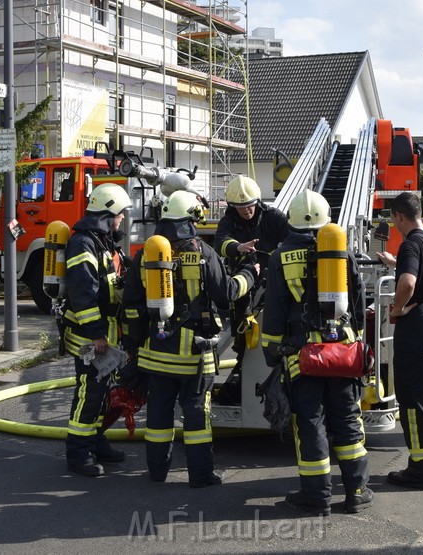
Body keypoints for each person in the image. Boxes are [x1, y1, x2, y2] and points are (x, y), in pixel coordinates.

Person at [121, 191, 257, 487]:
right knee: (196, 415)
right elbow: (227, 293)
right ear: (191, 219)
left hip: (155, 353)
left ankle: (157, 472)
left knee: (158, 414)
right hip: (195, 355)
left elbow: (130, 305)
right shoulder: (205, 254)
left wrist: (133, 347)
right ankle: (200, 474)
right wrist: (250, 272)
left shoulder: (147, 254)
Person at [261, 189, 373, 516]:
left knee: (310, 423)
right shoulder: (340, 252)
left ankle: (317, 495)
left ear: (291, 221)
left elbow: (275, 311)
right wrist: (354, 340)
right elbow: (357, 299)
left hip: (303, 354)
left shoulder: (280, 256)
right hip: (342, 352)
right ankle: (356, 491)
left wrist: (272, 351)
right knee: (348, 419)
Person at [376, 192, 423, 490]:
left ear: (398, 216)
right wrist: (397, 263)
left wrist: (395, 308)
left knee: (412, 399)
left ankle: (422, 471)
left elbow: (409, 283)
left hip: (417, 325)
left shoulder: (410, 244)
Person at [62, 183, 132, 477]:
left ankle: (95, 440)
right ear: (108, 212)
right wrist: (97, 335)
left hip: (105, 335)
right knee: (89, 393)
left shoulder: (103, 241)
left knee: (103, 393)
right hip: (89, 338)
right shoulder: (83, 243)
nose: (123, 220)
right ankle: (78, 453)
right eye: (121, 214)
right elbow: (82, 295)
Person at [214, 175, 288, 352]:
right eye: (241, 207)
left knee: (275, 323)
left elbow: (290, 239)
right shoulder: (228, 221)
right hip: (243, 283)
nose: (246, 210)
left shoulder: (274, 217)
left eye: (249, 205)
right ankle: (242, 361)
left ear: (258, 201)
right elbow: (219, 243)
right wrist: (238, 247)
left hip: (273, 281)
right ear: (233, 206)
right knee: (242, 330)